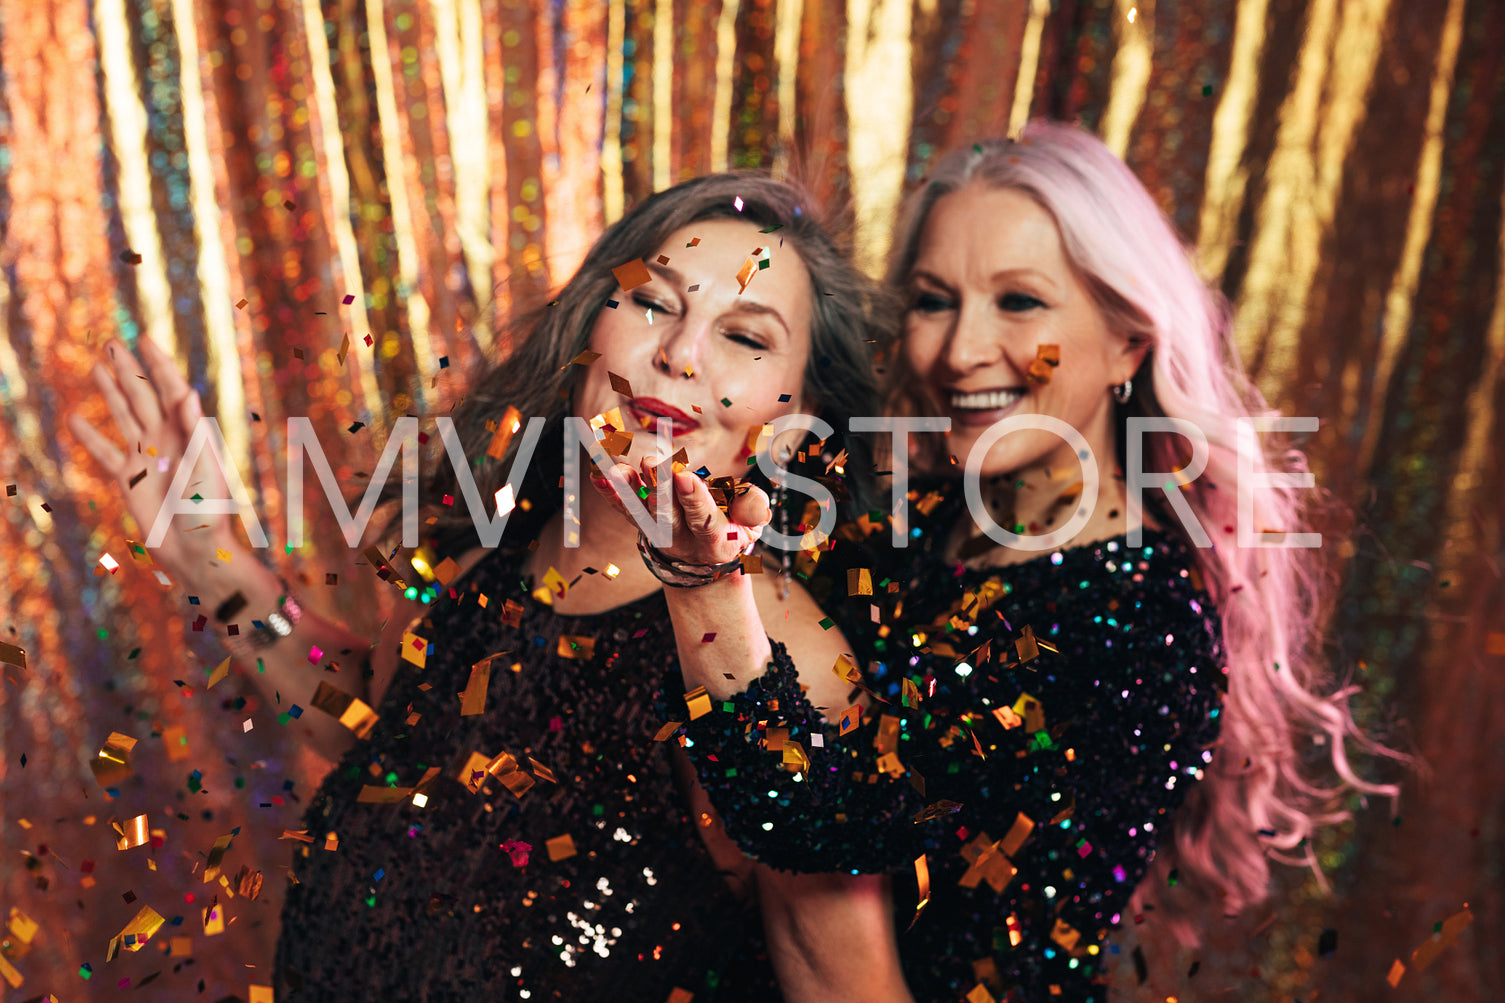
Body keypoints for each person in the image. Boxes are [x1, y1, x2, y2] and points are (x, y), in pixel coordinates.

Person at [68, 173, 914, 1001]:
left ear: (801, 409)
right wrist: (214, 562)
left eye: (747, 336)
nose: (679, 354)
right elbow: (381, 723)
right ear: (589, 322)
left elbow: (846, 980)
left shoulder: (774, 661)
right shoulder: (502, 558)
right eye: (655, 303)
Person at [604, 123, 1400, 1001]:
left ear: (1129, 339)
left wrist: (699, 582)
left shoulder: (1142, 622)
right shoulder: (914, 522)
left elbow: (818, 829)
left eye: (1019, 302)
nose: (959, 351)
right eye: (935, 300)